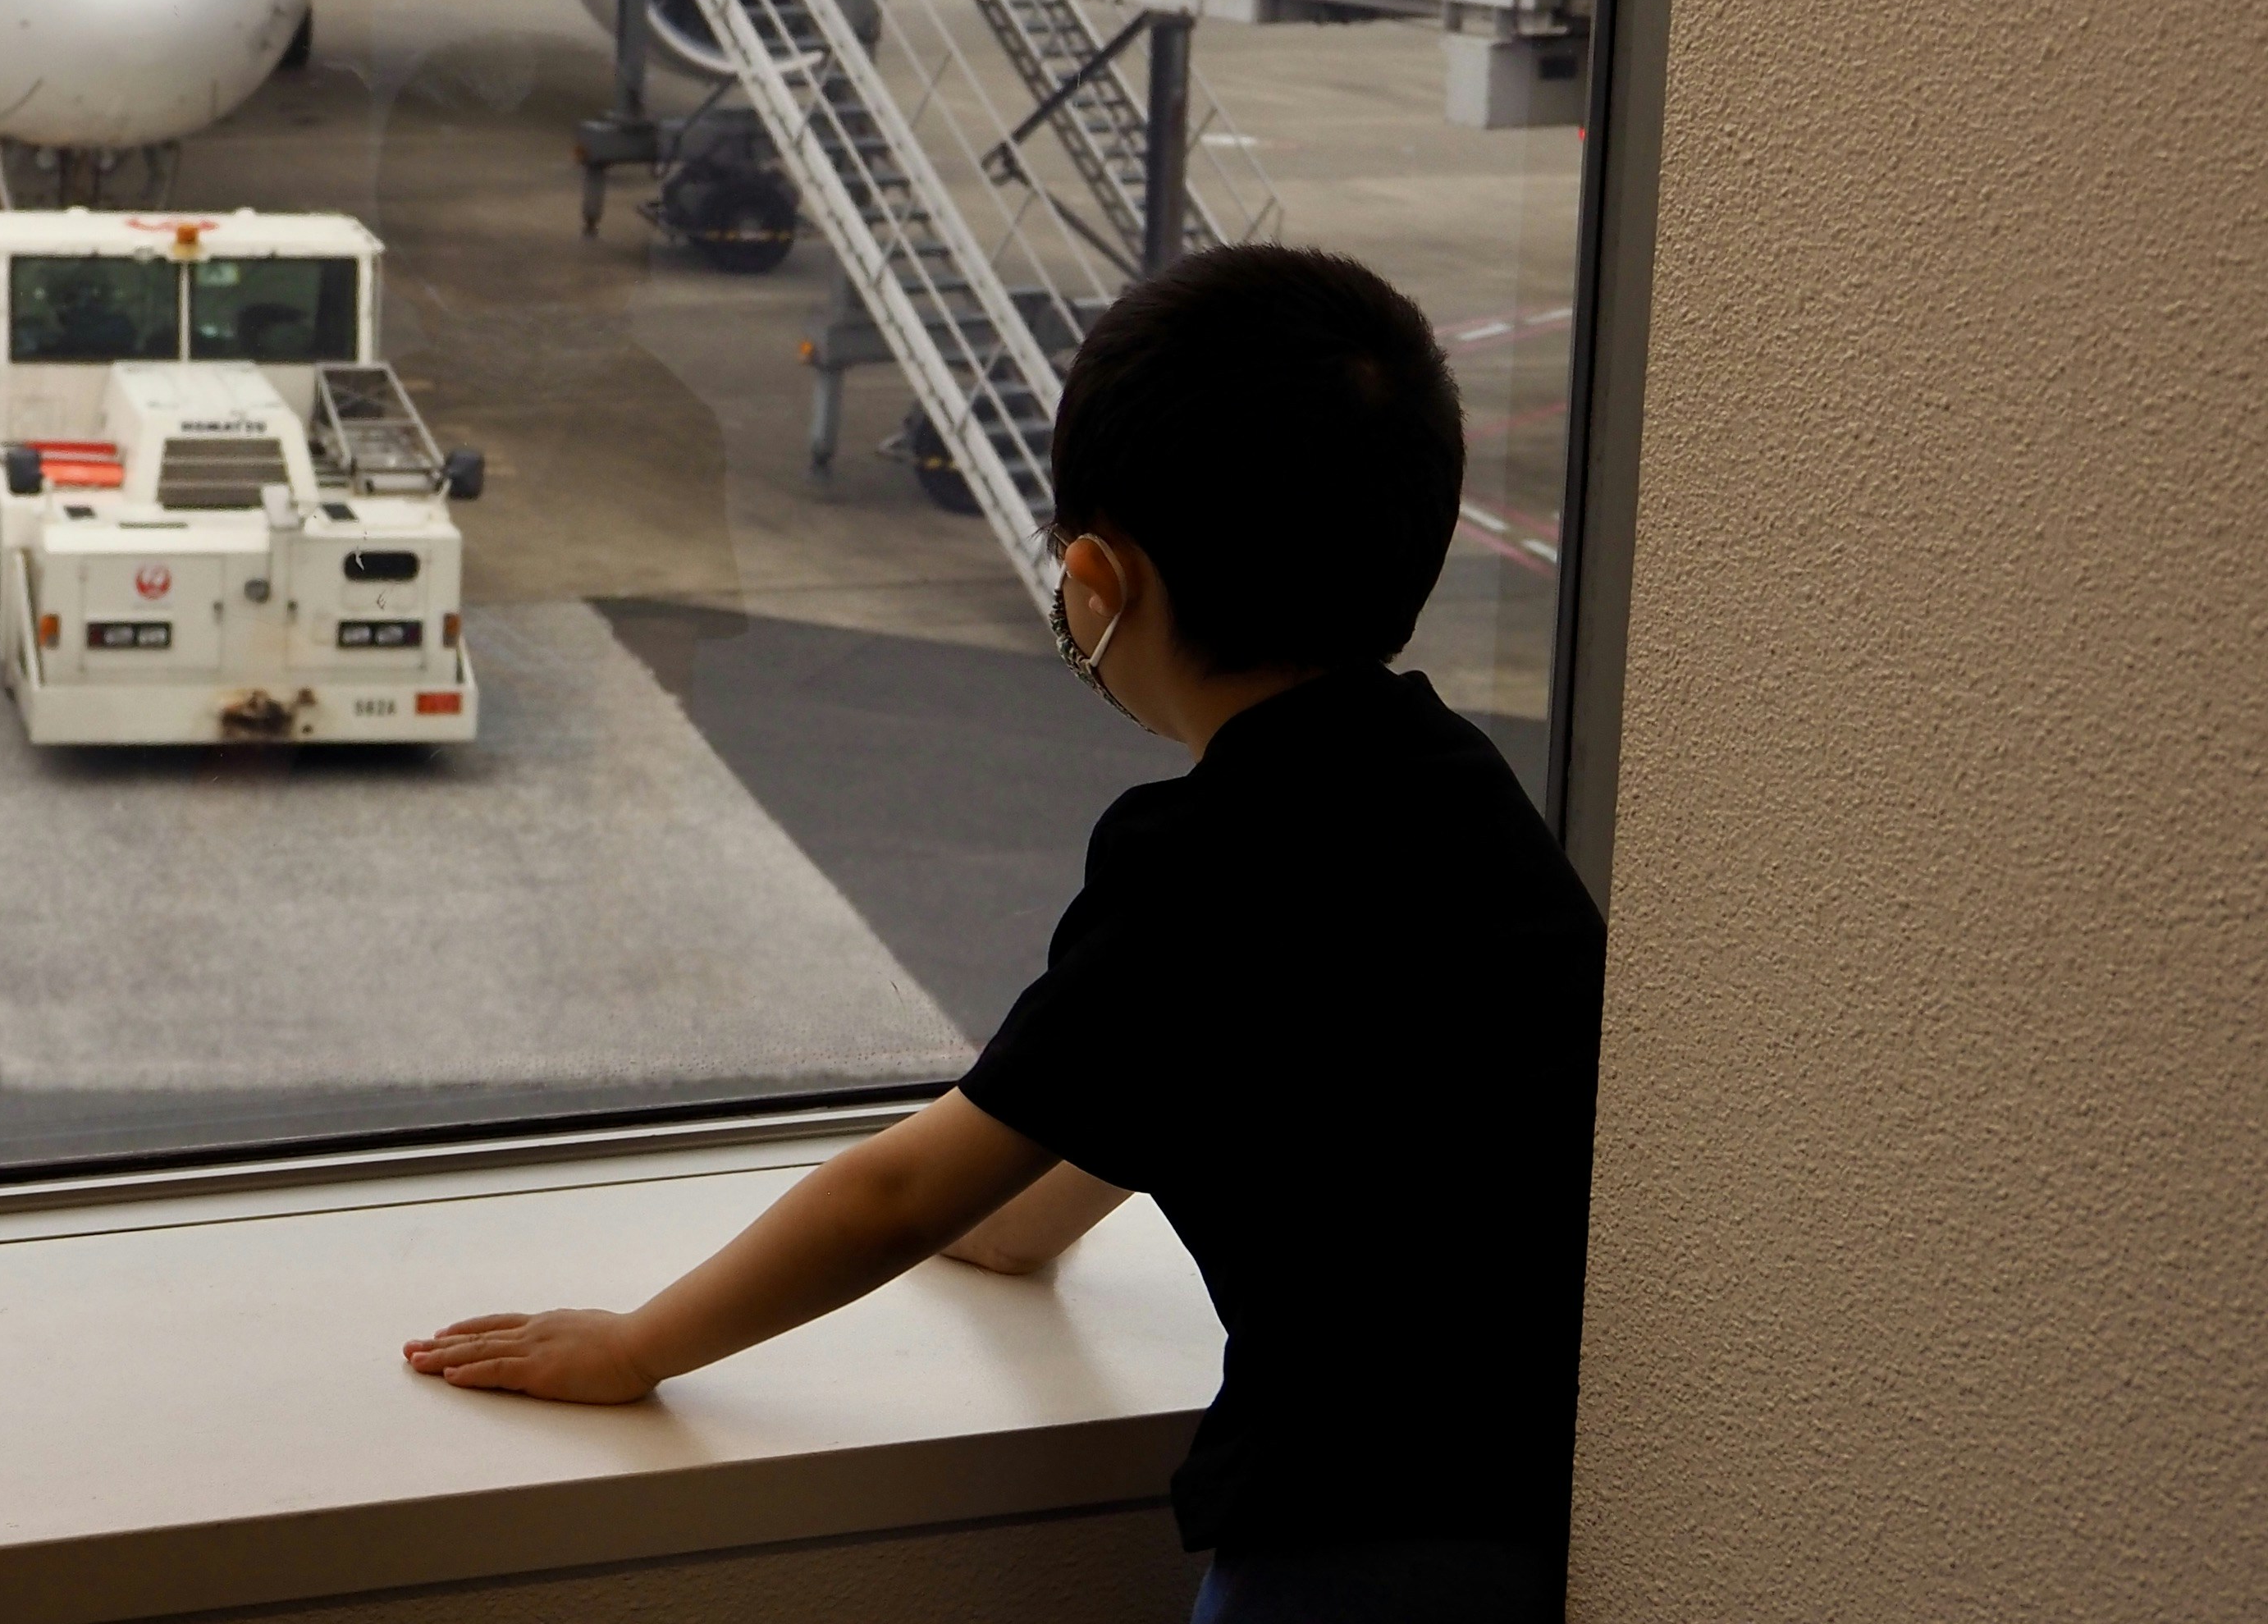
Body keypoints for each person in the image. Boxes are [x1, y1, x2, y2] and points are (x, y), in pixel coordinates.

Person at [402, 246, 1604, 1624]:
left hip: (1352, 1532)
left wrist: (636, 1343)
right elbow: (1166, 1077)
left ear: (1098, 578)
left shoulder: (1196, 863)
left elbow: (895, 1193)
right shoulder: (1457, 789)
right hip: (1565, 1480)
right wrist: (1017, 1223)